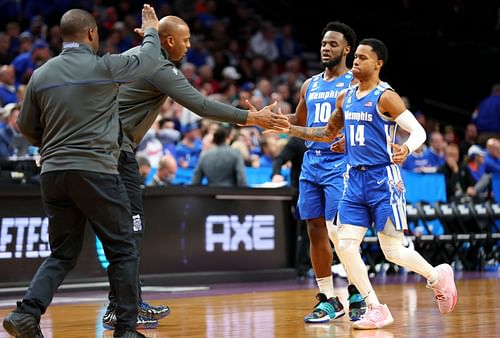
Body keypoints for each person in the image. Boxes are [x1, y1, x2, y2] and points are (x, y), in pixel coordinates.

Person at [102, 15, 290, 330]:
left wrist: (150, 32)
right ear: (170, 41)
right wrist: (251, 118)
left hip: (110, 153)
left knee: (122, 233)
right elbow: (201, 105)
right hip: (116, 156)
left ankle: (122, 304)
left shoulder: (141, 59)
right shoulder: (159, 68)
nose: (190, 46)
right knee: (129, 233)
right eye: (185, 40)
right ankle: (123, 308)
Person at [3, 6, 161, 338]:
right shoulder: (103, 66)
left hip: (53, 175)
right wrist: (151, 30)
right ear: (91, 34)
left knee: (62, 253)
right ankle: (127, 330)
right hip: (95, 171)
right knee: (123, 248)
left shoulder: (41, 75)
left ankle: (25, 314)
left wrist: (54, 143)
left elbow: (26, 128)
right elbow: (148, 61)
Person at [277, 38, 457, 330]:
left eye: (362, 58)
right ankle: (375, 307)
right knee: (345, 243)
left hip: (383, 180)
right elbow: (325, 133)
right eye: (356, 57)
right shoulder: (345, 97)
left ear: (378, 64)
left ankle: (437, 276)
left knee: (393, 251)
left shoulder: (387, 97)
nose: (357, 62)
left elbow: (418, 132)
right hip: (354, 179)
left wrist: (406, 148)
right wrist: (288, 127)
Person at [273, 21, 366, 323]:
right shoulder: (309, 84)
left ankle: (356, 291)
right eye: (324, 43)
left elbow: (367, 120)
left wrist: (350, 140)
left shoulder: (355, 83)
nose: (326, 48)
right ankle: (328, 298)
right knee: (315, 230)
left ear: (347, 49)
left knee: (342, 233)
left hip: (342, 165)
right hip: (311, 163)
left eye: (333, 44)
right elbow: (299, 123)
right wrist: (265, 119)